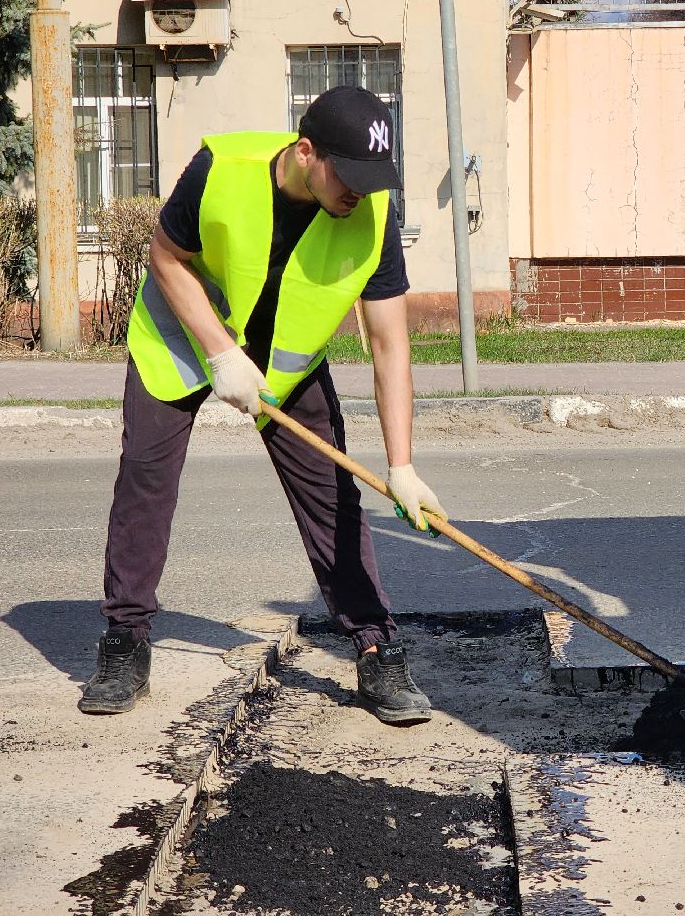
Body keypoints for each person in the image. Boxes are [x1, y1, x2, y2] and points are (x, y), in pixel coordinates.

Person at [78, 85, 445, 725]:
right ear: (306, 153)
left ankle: (377, 644)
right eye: (348, 174)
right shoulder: (220, 170)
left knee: (334, 493)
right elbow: (166, 257)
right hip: (184, 335)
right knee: (145, 476)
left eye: (373, 176)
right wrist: (220, 353)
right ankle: (124, 640)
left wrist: (403, 465)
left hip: (285, 357)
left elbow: (390, 344)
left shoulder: (374, 214)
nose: (359, 191)